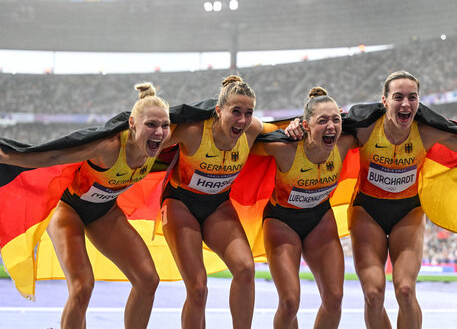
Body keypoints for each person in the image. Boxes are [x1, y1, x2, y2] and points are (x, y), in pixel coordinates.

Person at [285, 71, 457, 329]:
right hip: (367, 212)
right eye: (398, 97)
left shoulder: (427, 132)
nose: (406, 103)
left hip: (407, 213)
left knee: (405, 289)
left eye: (412, 97)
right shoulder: (365, 130)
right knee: (374, 294)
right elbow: (322, 131)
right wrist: (298, 124)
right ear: (384, 101)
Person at [0, 82, 171, 329]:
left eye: (165, 125)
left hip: (105, 212)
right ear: (132, 123)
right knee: (82, 287)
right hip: (68, 210)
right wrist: (7, 156)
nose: (159, 132)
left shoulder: (162, 142)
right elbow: (54, 156)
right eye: (151, 124)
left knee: (148, 280)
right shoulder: (108, 148)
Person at [160, 75, 263, 329]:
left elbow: (284, 134)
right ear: (218, 110)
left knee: (245, 269)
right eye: (235, 111)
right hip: (179, 204)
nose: (242, 120)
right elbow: (148, 139)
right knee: (197, 287)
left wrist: (300, 127)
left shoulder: (253, 130)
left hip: (218, 205)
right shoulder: (193, 132)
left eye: (248, 112)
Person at [253, 87, 356, 329]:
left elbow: (376, 123)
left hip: (320, 220)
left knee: (335, 298)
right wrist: (280, 129)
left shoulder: (345, 143)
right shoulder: (285, 148)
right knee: (289, 302)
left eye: (335, 119)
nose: (331, 126)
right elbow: (246, 142)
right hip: (282, 223)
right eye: (322, 121)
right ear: (306, 125)